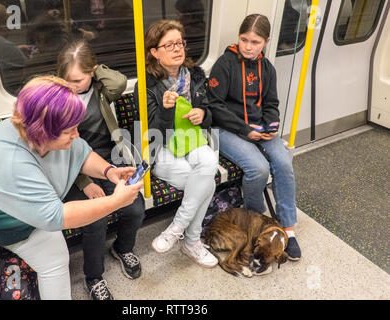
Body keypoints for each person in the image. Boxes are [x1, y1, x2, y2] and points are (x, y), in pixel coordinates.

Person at [0, 75, 143, 300]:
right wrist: (116, 201)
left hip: (24, 221)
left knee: (55, 263)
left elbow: (81, 153)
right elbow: (58, 216)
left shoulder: (46, 132)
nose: (76, 135)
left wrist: (109, 171)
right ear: (41, 131)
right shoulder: (7, 159)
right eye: (70, 131)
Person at [207, 13, 301, 260]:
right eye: (244, 39)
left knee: (283, 163)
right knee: (258, 169)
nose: (248, 47)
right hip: (227, 128)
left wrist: (272, 122)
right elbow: (215, 106)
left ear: (266, 42)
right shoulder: (224, 64)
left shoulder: (267, 69)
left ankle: (288, 228)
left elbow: (271, 103)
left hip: (259, 128)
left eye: (255, 42)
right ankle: (256, 222)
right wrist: (245, 129)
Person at [58, 40, 145, 300]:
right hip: (72, 166)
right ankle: (93, 276)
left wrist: (97, 71)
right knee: (95, 218)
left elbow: (118, 84)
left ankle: (122, 247)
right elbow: (63, 151)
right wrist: (86, 184)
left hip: (107, 155)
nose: (72, 86)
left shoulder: (99, 89)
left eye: (78, 79)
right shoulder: (57, 99)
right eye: (67, 79)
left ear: (92, 72)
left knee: (135, 207)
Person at [134, 20, 218, 268]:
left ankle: (176, 227)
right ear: (154, 52)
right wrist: (167, 110)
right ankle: (191, 241)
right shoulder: (146, 84)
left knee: (208, 161)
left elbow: (210, 111)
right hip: (161, 149)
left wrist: (203, 114)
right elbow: (151, 133)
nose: (177, 49)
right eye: (168, 44)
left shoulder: (196, 76)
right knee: (207, 183)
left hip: (191, 140)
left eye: (179, 43)